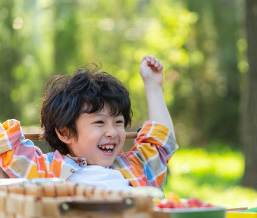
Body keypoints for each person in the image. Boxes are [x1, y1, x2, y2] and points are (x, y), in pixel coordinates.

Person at [0, 55, 177, 192]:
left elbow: (161, 142)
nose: (112, 133)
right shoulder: (46, 169)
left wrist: (152, 86)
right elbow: (6, 147)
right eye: (100, 122)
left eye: (118, 122)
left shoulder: (136, 167)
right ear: (65, 132)